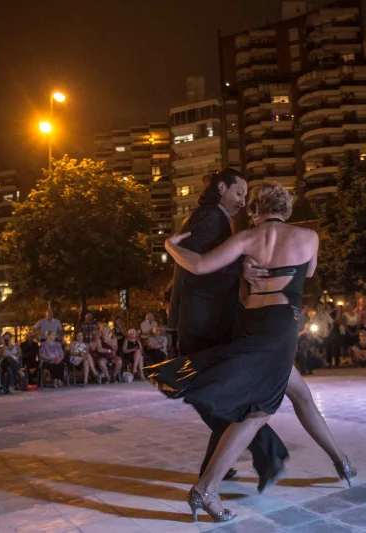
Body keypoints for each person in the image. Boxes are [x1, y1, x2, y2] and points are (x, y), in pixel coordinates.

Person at [150, 182, 355, 522]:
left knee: (301, 396)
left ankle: (341, 459)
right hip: (281, 329)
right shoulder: (308, 237)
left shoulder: (246, 239)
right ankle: (205, 489)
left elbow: (199, 265)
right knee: (259, 411)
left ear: (256, 211)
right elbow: (309, 271)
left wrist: (171, 246)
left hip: (253, 326)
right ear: (286, 209)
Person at [165, 168, 290, 491]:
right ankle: (266, 453)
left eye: (246, 196)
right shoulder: (211, 218)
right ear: (222, 188)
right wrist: (240, 266)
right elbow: (197, 265)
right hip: (204, 322)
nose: (243, 201)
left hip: (204, 320)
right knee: (210, 394)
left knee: (216, 393)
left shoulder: (211, 218)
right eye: (239, 192)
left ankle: (226, 465)